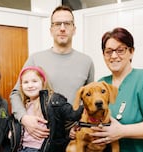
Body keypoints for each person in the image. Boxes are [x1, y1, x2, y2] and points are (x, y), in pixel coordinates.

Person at [10, 5, 95, 141]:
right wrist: (24, 118)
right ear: (51, 30)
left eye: (67, 23)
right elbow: (15, 93)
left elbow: (90, 101)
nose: (62, 28)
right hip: (41, 137)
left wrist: (80, 125)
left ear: (74, 29)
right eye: (57, 24)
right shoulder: (35, 58)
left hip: (73, 138)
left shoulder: (87, 62)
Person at [0, 66, 83, 152]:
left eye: (34, 81)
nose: (30, 85)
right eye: (26, 82)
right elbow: (18, 126)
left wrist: (75, 126)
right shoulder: (25, 105)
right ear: (21, 86)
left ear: (43, 83)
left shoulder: (51, 103)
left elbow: (72, 114)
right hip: (21, 149)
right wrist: (12, 133)